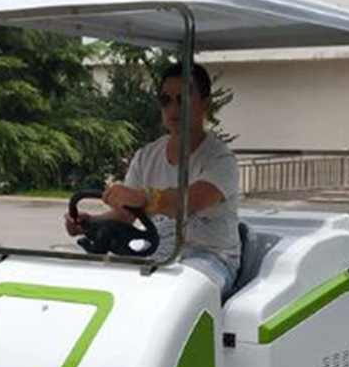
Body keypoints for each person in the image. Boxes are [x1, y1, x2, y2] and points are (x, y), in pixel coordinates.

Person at [65, 62, 241, 295]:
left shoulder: (220, 158)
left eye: (183, 100)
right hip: (158, 253)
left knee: (179, 292)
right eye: (166, 100)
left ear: (205, 105)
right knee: (95, 281)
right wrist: (90, 223)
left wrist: (145, 198)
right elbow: (126, 214)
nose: (174, 108)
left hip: (210, 257)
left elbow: (192, 200)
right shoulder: (146, 156)